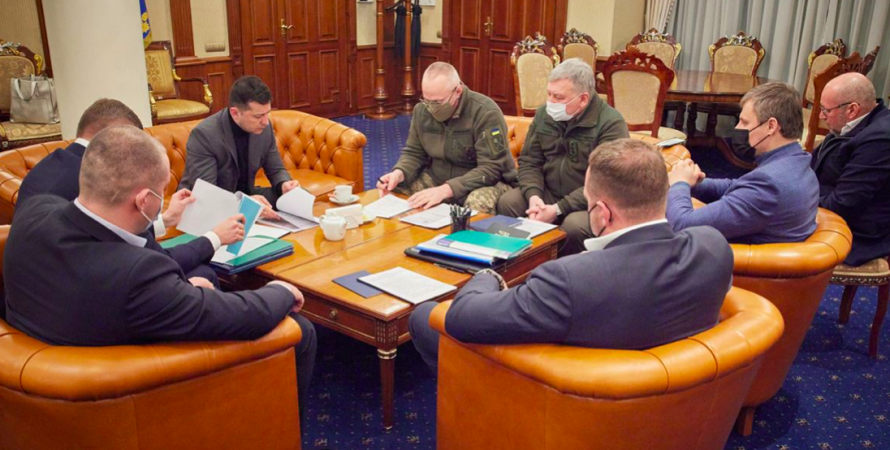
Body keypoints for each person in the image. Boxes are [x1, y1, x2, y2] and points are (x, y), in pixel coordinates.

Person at [4, 126, 315, 417]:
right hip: (130, 398)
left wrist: (181, 291)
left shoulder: (34, 212)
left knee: (203, 277)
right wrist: (282, 291)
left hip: (38, 373)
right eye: (162, 191)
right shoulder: (137, 276)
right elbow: (241, 315)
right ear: (144, 201)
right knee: (300, 331)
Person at [409, 139, 733, 373]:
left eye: (588, 203)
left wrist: (488, 276)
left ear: (603, 212)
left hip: (561, 402)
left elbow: (462, 317)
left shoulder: (570, 279)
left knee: (424, 317)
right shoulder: (713, 247)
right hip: (678, 401)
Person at [14, 98, 243, 287]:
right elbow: (157, 259)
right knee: (204, 274)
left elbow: (111, 232)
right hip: (88, 285)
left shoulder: (48, 168)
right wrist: (215, 237)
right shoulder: (102, 179)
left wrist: (165, 220)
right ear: (115, 138)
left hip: (38, 281)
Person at [496, 58, 629, 256]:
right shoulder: (544, 114)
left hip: (589, 201)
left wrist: (558, 209)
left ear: (583, 99)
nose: (550, 102)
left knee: (574, 225)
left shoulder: (610, 123)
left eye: (558, 97)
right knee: (509, 202)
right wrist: (534, 196)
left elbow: (605, 181)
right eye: (549, 94)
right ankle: (520, 264)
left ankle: (560, 268)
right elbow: (530, 161)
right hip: (547, 192)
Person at [666, 83, 818, 244]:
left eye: (744, 122)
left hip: (733, 257)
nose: (737, 128)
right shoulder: (797, 162)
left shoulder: (768, 185)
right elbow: (737, 186)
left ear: (771, 126)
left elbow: (682, 226)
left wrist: (679, 184)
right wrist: (693, 182)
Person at [376, 62, 517, 214]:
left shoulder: (486, 112)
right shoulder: (421, 111)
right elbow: (414, 153)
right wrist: (399, 173)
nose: (431, 107)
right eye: (427, 100)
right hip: (438, 179)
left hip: (484, 183)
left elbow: (491, 169)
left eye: (438, 102)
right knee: (394, 190)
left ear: (458, 91)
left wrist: (447, 189)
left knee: (478, 203)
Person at [178, 76, 299, 220]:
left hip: (246, 195)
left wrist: (284, 184)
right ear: (235, 113)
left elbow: (276, 169)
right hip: (208, 205)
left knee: (293, 197)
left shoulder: (264, 128)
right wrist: (245, 203)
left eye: (267, 113)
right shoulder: (204, 135)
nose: (265, 122)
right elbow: (207, 194)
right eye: (258, 116)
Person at [811, 72, 890, 266]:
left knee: (766, 237)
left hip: (856, 232)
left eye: (826, 110)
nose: (821, 116)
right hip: (827, 205)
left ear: (852, 109)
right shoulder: (854, 123)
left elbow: (844, 204)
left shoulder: (879, 140)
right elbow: (815, 160)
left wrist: (796, 203)